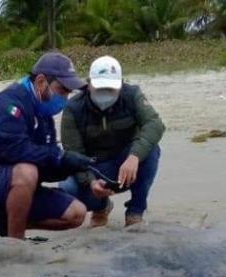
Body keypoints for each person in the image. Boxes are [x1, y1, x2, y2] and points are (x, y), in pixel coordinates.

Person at [0, 52, 95, 239]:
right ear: (41, 82)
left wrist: (67, 165)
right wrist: (58, 157)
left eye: (68, 93)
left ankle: (4, 228)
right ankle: (15, 245)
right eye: (62, 91)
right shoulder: (9, 103)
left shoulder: (44, 115)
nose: (65, 98)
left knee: (77, 213)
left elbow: (45, 164)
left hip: (17, 190)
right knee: (26, 171)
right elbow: (13, 150)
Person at [60, 55, 165, 227]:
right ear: (88, 83)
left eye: (110, 88)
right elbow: (73, 153)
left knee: (151, 150)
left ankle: (135, 211)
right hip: (93, 167)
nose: (105, 93)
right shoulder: (74, 108)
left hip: (127, 165)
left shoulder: (132, 95)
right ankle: (101, 207)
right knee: (67, 188)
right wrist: (90, 180)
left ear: (121, 84)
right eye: (100, 88)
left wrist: (134, 156)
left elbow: (155, 124)